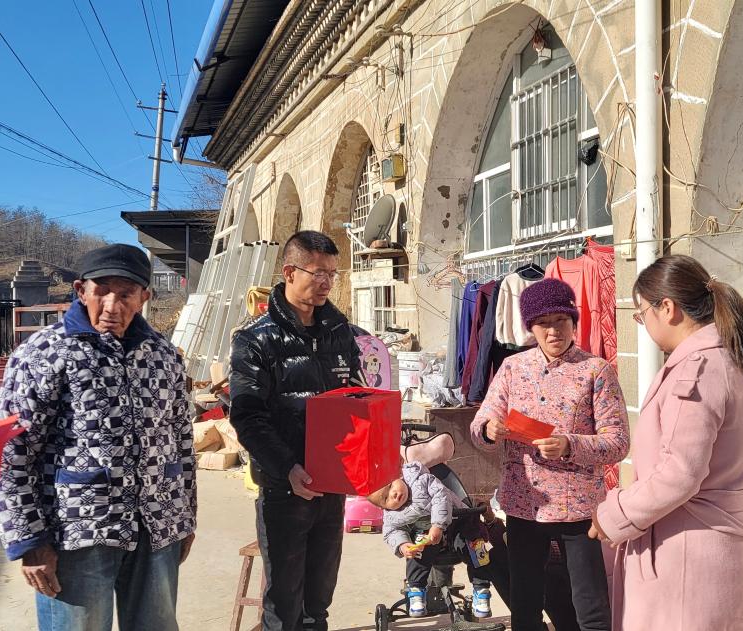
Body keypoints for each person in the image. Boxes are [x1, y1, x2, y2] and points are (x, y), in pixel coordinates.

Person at [0, 243, 196, 631]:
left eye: (126, 293)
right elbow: (9, 451)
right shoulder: (45, 352)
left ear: (145, 296)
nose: (112, 305)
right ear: (81, 290)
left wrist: (184, 519)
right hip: (78, 533)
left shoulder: (163, 355)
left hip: (156, 526)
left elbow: (181, 440)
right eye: (102, 291)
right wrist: (28, 540)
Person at [590, 255, 743, 630]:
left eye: (642, 314)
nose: (644, 325)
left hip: (688, 559)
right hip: (719, 553)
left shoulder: (698, 371)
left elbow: (680, 473)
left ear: (667, 308)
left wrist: (614, 514)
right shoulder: (736, 362)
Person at [470, 277, 629, 631]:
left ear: (573, 322)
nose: (554, 330)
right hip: (524, 504)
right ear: (531, 327)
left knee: (590, 605)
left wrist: (570, 444)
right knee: (525, 604)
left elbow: (618, 442)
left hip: (578, 509)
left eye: (561, 320)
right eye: (543, 323)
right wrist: (489, 429)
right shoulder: (513, 368)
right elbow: (480, 423)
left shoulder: (596, 371)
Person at [230, 230, 361, 631]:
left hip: (331, 485)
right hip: (284, 488)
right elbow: (247, 417)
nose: (326, 283)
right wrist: (287, 468)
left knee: (319, 599)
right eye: (318, 273)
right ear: (289, 272)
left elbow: (356, 397)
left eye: (332, 274)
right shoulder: (255, 339)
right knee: (284, 604)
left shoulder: (340, 332)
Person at [368, 462, 508, 619]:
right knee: (417, 548)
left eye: (391, 486)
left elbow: (442, 496)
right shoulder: (392, 515)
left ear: (398, 476)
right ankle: (416, 589)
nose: (393, 494)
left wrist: (437, 525)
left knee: (475, 545)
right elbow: (391, 531)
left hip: (457, 522)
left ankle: (481, 588)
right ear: (383, 507)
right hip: (428, 537)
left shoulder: (422, 480)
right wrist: (402, 545)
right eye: (386, 498)